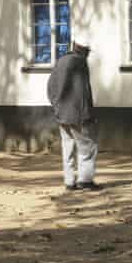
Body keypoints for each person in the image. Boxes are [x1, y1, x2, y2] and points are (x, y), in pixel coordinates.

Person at [47, 36, 100, 191]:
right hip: (79, 115)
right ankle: (85, 180)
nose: (88, 54)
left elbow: (50, 87)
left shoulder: (61, 61)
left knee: (67, 147)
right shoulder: (80, 63)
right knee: (88, 147)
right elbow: (84, 93)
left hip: (61, 114)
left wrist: (56, 107)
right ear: (83, 50)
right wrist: (88, 115)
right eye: (88, 51)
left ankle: (69, 182)